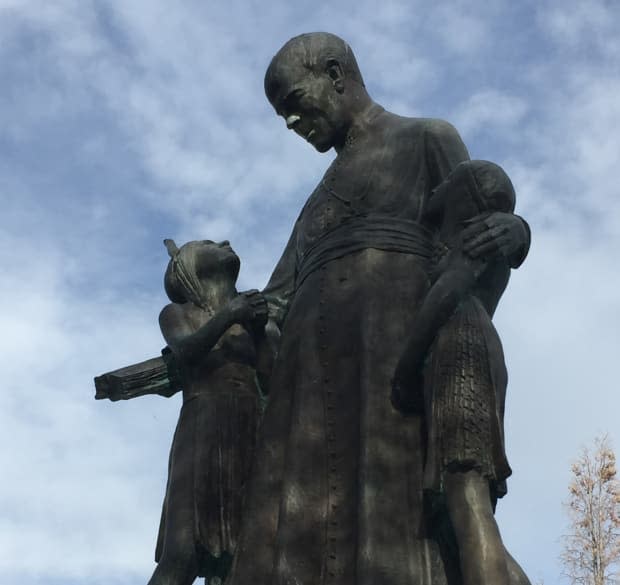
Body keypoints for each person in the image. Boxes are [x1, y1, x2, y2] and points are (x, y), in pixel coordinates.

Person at [226, 33, 531, 585]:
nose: (291, 123)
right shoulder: (317, 201)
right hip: (308, 384)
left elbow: (474, 240)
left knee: (403, 524)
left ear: (336, 73)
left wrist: (516, 232)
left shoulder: (425, 138)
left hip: (392, 362)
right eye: (282, 115)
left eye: (294, 102)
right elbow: (274, 299)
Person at [393, 160, 520, 585]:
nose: (439, 184)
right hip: (470, 345)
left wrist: (405, 367)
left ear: (463, 193)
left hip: (459, 345)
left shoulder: (476, 238)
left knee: (466, 494)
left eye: (449, 180)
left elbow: (444, 294)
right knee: (458, 504)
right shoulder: (476, 236)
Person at [148, 239, 269, 585]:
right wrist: (231, 315)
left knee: (249, 548)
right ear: (186, 265)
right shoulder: (178, 313)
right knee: (183, 550)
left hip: (252, 424)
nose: (225, 243)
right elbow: (187, 350)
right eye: (209, 243)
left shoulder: (251, 324)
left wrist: (261, 330)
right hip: (203, 423)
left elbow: (271, 377)